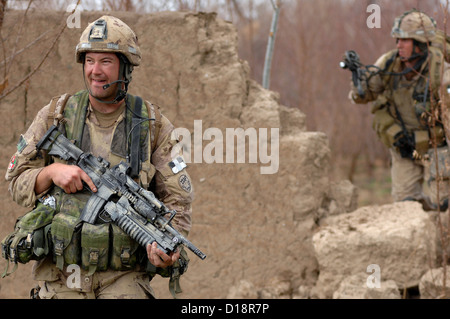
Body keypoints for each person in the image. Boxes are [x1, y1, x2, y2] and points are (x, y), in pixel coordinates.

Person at [3, 15, 194, 299]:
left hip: (123, 277)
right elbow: (15, 181)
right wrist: (51, 173)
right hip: (61, 276)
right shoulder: (56, 115)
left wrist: (166, 251)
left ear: (125, 67)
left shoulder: (151, 125)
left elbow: (178, 202)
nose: (95, 71)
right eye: (90, 60)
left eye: (106, 61)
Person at [348, 9, 450, 211]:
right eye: (397, 40)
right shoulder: (389, 63)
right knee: (404, 208)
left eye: (405, 40)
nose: (399, 45)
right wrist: (358, 85)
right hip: (405, 148)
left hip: (436, 149)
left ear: (420, 44)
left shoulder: (442, 73)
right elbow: (363, 96)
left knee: (443, 206)